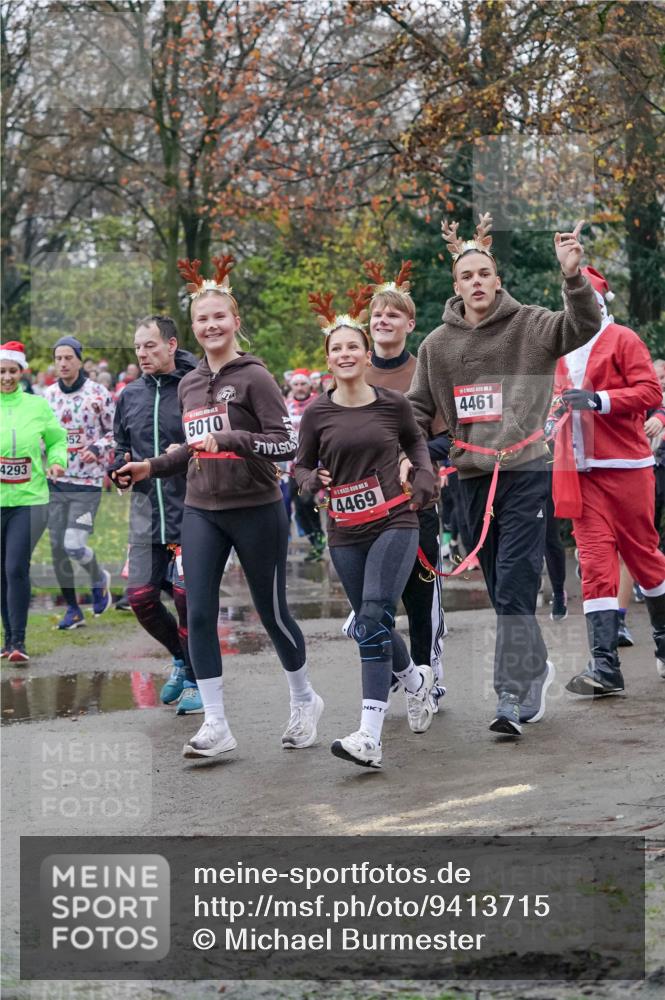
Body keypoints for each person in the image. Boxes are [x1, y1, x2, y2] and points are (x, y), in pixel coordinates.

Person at [116, 254, 323, 758]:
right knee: (200, 613)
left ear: (234, 322)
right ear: (191, 329)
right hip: (202, 510)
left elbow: (285, 444)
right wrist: (151, 467)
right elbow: (192, 448)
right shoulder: (189, 384)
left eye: (219, 317)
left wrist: (232, 438)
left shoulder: (256, 378)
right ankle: (215, 723)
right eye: (202, 319)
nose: (211, 326)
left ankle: (304, 700)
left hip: (255, 506)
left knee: (272, 613)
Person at [407, 214, 601, 735]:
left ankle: (510, 695)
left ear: (497, 279)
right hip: (471, 480)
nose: (476, 282)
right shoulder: (436, 346)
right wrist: (408, 457)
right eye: (466, 275)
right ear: (456, 285)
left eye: (483, 273)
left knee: (514, 586)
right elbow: (415, 411)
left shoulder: (531, 324)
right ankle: (535, 668)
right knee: (500, 589)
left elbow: (582, 326)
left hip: (525, 470)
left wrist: (573, 279)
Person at [295, 287, 437, 770]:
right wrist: (311, 480)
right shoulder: (316, 412)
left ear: (363, 352)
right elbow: (299, 470)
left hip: (395, 521)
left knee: (374, 614)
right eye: (336, 349)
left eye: (352, 346)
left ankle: (369, 736)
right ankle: (417, 683)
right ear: (328, 359)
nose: (346, 354)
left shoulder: (391, 403)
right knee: (368, 623)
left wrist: (423, 476)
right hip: (344, 531)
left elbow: (417, 444)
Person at [550, 266, 665, 693]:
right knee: (595, 566)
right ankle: (605, 667)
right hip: (580, 474)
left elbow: (650, 393)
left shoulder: (623, 338)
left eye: (585, 300)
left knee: (644, 561)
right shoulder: (563, 350)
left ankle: (664, 640)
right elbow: (557, 402)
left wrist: (600, 400)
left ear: (599, 302)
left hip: (627, 469)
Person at [362, 260, 448, 714]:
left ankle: (428, 675)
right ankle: (404, 675)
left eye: (393, 314)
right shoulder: (352, 371)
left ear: (410, 324)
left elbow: (447, 438)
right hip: (361, 509)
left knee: (419, 598)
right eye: (377, 314)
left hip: (415, 503)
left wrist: (412, 460)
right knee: (372, 604)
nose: (383, 321)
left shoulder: (425, 371)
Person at [109, 315, 203, 715]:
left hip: (191, 512)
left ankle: (199, 682)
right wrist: (118, 467)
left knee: (185, 599)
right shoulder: (129, 395)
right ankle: (182, 660)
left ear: (170, 344)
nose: (143, 354)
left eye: (149, 345)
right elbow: (120, 444)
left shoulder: (194, 386)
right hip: (146, 516)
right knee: (141, 597)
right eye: (137, 348)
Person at [0, 342, 67, 662]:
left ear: (21, 372)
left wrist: (57, 461)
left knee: (15, 567)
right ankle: (7, 640)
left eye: (12, 371)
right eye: (1, 371)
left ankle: (19, 642)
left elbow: (56, 439)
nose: (7, 377)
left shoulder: (36, 406)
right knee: (1, 571)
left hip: (31, 497)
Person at [44, 336, 115, 629]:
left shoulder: (98, 395)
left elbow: (115, 433)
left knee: (74, 545)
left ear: (79, 359)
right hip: (56, 483)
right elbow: (40, 436)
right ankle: (73, 609)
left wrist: (97, 449)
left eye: (68, 358)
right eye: (58, 358)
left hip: (87, 483)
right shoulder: (46, 396)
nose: (62, 363)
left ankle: (99, 577)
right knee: (57, 548)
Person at [285, 369, 326, 560]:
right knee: (299, 508)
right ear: (290, 386)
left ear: (310, 385)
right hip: (292, 466)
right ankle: (315, 542)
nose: (299, 388)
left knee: (307, 502)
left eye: (303, 384)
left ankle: (320, 539)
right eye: (296, 384)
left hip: (313, 464)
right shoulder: (285, 405)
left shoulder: (319, 403)